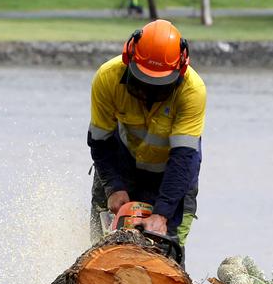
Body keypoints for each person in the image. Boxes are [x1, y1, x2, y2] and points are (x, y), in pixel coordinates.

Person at [87, 19, 205, 253]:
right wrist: (113, 186)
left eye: (160, 85)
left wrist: (162, 213)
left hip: (172, 175)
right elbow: (100, 141)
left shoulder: (192, 91)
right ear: (128, 59)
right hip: (120, 163)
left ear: (179, 71)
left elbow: (183, 158)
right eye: (142, 81)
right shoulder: (107, 78)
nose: (148, 91)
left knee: (167, 251)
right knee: (98, 249)